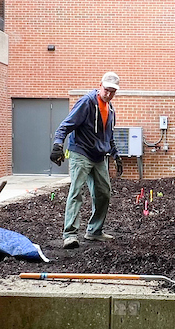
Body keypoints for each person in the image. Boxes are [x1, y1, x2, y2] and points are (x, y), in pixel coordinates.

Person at [51, 71, 124, 249]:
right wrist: (58, 145)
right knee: (76, 192)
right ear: (100, 85)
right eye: (106, 90)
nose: (108, 94)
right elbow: (66, 124)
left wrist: (115, 154)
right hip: (81, 152)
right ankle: (69, 235)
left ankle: (94, 231)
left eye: (112, 91)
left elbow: (108, 135)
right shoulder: (87, 102)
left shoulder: (111, 108)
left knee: (103, 193)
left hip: (98, 156)